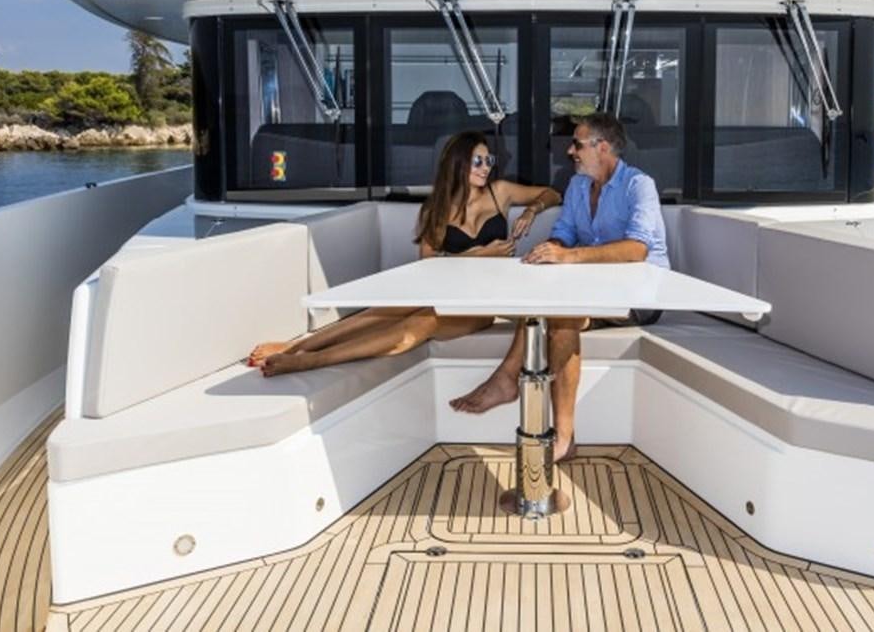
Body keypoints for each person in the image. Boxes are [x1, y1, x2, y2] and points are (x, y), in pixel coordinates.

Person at [449, 112, 668, 462]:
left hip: (638, 296)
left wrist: (568, 257)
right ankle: (533, 408)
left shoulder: (638, 185)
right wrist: (550, 250)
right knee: (548, 307)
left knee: (560, 316)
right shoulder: (578, 185)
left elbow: (637, 249)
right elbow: (564, 232)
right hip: (591, 293)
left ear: (603, 147)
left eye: (578, 144)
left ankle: (550, 424)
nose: (570, 152)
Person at [250, 130, 560, 376]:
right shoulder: (436, 208)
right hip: (443, 290)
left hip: (482, 302)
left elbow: (552, 193)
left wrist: (531, 211)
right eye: (477, 161)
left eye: (488, 160)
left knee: (420, 323)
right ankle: (296, 347)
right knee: (381, 311)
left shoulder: (501, 191)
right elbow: (427, 263)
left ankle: (314, 361)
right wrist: (481, 255)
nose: (485, 168)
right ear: (458, 163)